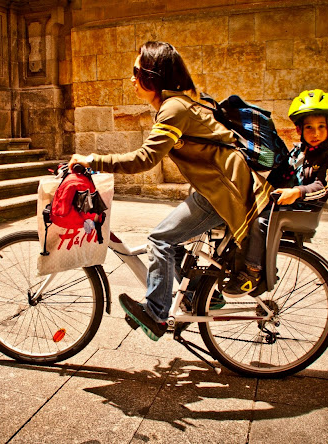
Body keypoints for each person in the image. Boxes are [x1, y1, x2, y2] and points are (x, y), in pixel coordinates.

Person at [69, 41, 272, 341]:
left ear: (153, 75)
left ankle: (156, 314)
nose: (132, 78)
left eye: (136, 71)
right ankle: (204, 296)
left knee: (159, 239)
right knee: (173, 241)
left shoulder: (174, 109)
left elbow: (145, 159)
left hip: (224, 191)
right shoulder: (179, 102)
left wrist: (93, 159)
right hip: (219, 187)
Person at [222, 89, 328, 296]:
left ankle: (252, 271)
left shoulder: (326, 157)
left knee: (259, 222)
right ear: (299, 129)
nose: (316, 133)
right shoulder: (298, 151)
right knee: (238, 211)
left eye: (322, 127)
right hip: (282, 202)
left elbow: (322, 187)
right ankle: (229, 262)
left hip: (299, 210)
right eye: (309, 128)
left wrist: (297, 192)